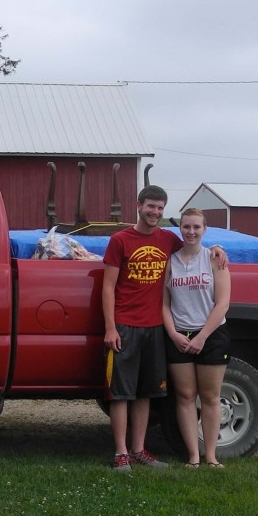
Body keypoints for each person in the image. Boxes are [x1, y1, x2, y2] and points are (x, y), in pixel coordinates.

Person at [102, 186, 226, 472]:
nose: (155, 212)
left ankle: (139, 449)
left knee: (146, 391)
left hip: (156, 328)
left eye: (160, 208)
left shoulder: (168, 240)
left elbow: (196, 244)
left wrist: (219, 248)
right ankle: (121, 452)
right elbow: (108, 287)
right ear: (139, 206)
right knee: (120, 393)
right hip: (125, 326)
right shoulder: (120, 240)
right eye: (150, 207)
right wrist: (111, 327)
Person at [161, 208, 231, 468]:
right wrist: (173, 334)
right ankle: (193, 455)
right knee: (185, 396)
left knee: (211, 397)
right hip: (179, 335)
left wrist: (202, 337)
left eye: (196, 227)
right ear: (180, 229)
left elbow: (222, 303)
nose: (191, 232)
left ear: (204, 229)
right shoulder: (171, 261)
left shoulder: (215, 259)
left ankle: (211, 455)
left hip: (211, 335)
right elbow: (164, 305)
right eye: (186, 226)